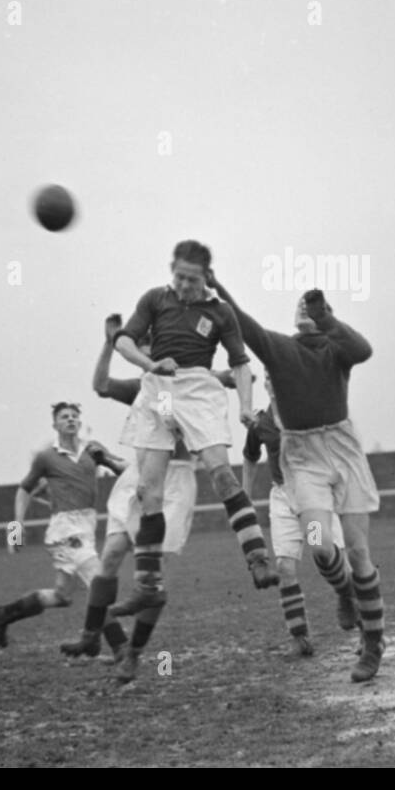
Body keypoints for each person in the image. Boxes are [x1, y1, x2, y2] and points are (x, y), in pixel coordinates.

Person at [209, 274, 385, 683]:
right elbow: (246, 325)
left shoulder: (336, 347)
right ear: (293, 320)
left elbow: (364, 349)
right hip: (302, 455)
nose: (308, 313)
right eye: (304, 309)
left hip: (343, 447)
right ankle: (344, 593)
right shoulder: (281, 350)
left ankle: (373, 642)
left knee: (359, 553)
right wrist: (217, 286)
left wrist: (328, 319)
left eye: (316, 309)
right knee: (321, 544)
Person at [109, 240, 277, 620]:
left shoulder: (220, 313)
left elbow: (239, 364)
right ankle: (147, 587)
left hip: (199, 389)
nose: (184, 285)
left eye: (192, 279)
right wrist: (150, 365)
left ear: (206, 278)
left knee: (220, 472)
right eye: (179, 277)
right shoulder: (155, 299)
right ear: (173, 271)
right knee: (147, 490)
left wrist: (247, 407)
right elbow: (123, 341)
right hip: (160, 390)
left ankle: (257, 558)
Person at [60, 314, 216, 684]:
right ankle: (90, 635)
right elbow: (99, 384)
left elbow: (169, 419)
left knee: (151, 581)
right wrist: (109, 341)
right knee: (111, 553)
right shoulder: (144, 386)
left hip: (171, 482)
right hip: (138, 477)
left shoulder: (175, 386)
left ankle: (133, 653)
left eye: (143, 348)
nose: (140, 356)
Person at [0, 402, 125, 647]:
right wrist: (16, 528)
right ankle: (120, 650)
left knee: (62, 596)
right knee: (99, 583)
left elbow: (123, 469)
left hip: (86, 527)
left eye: (74, 416)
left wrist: (110, 462)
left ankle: (3, 615)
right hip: (65, 530)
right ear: (55, 425)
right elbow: (24, 490)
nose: (70, 419)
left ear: (80, 423)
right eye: (64, 417)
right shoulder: (46, 457)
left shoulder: (93, 450)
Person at [243, 375, 358, 658]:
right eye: (269, 379)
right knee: (284, 565)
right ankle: (300, 638)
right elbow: (249, 456)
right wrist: (243, 497)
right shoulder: (260, 423)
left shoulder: (305, 413)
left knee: (326, 555)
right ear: (267, 386)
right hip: (282, 499)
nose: (273, 383)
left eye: (277, 377)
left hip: (312, 497)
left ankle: (357, 615)